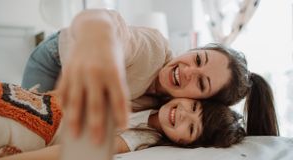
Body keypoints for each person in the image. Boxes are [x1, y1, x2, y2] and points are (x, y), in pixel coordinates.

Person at [21, 9, 278, 144]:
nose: (188, 70)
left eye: (201, 83)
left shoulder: (165, 108)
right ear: (195, 49)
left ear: (203, 101)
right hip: (56, 58)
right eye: (198, 59)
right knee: (25, 121)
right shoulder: (152, 48)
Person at [0, 82, 245, 160]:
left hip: (24, 125)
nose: (182, 114)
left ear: (187, 143)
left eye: (191, 126)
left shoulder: (137, 138)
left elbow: (66, 154)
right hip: (9, 97)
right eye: (193, 106)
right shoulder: (148, 97)